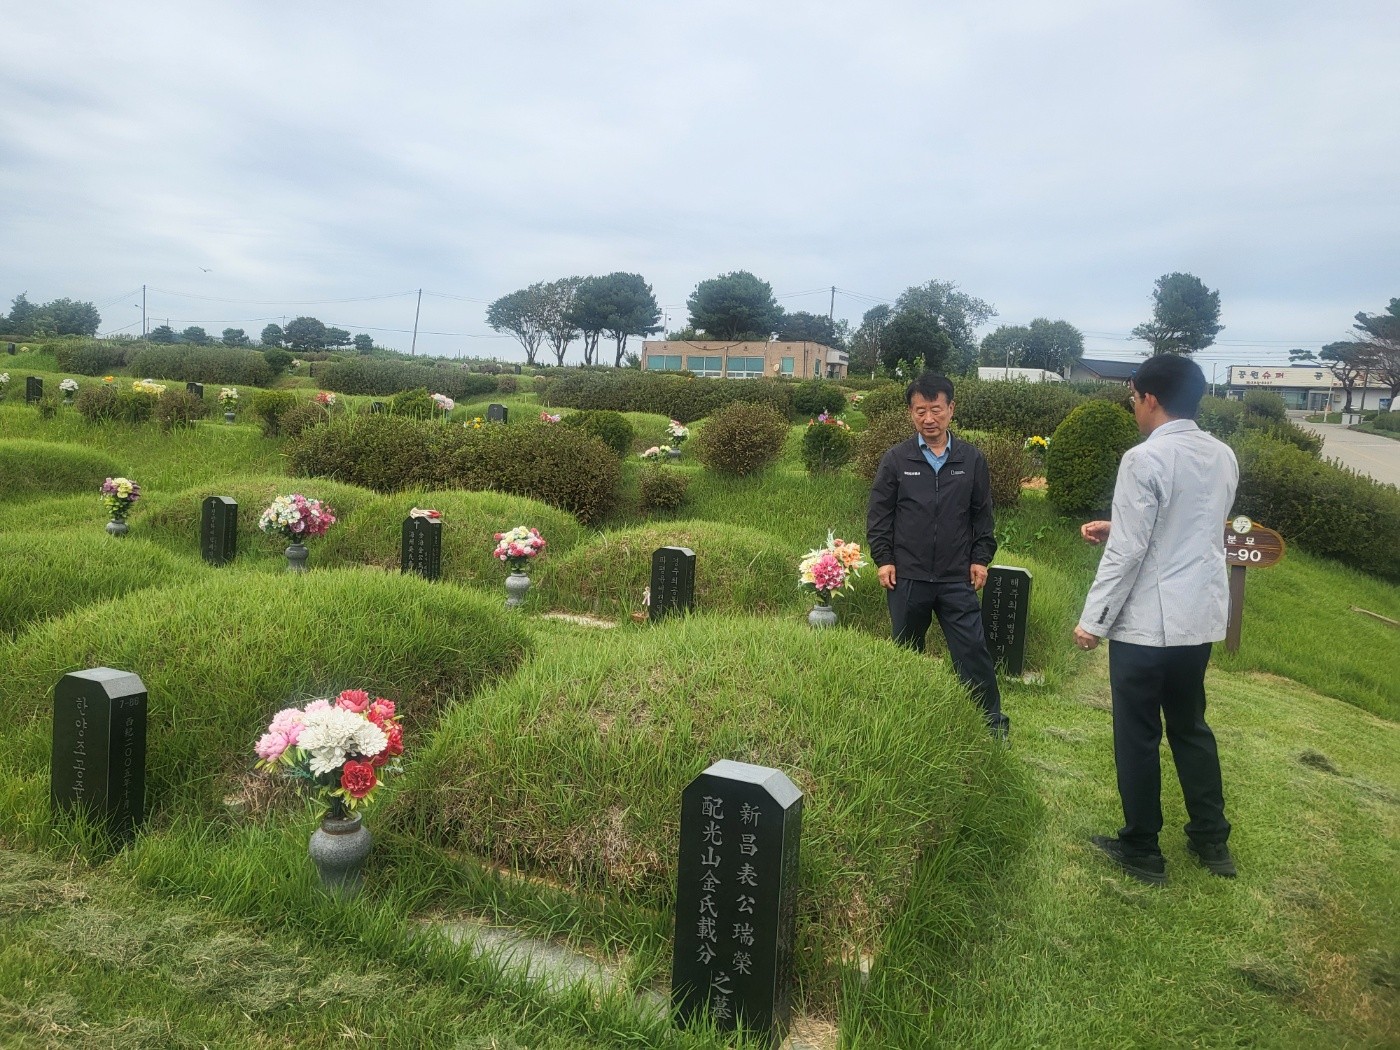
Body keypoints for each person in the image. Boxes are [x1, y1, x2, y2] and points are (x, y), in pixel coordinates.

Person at [1074, 354, 1239, 886]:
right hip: (1199, 620)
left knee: (1138, 734)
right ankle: (1212, 841)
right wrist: (1117, 523)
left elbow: (1129, 552)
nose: (1133, 408)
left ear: (1149, 398)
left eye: (1133, 398)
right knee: (1191, 725)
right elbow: (1190, 527)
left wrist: (1093, 621)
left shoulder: (1142, 459)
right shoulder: (1223, 456)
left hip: (1146, 625)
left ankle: (1143, 848)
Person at [866, 372, 1008, 738]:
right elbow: (880, 515)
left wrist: (980, 558)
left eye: (936, 410)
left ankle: (990, 726)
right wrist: (884, 559)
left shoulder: (971, 459)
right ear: (911, 413)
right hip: (907, 577)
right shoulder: (897, 459)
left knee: (972, 652)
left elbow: (982, 516)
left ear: (951, 409)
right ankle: (902, 720)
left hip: (955, 577)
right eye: (920, 411)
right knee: (905, 652)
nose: (928, 419)